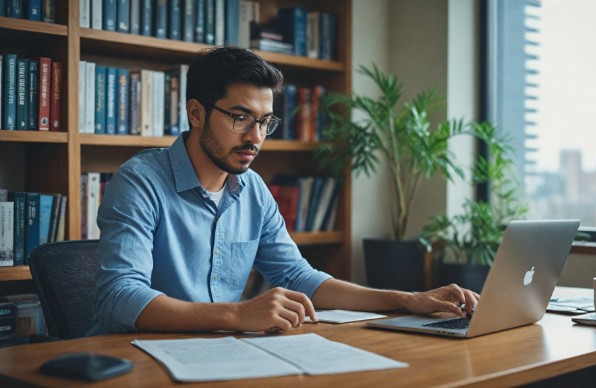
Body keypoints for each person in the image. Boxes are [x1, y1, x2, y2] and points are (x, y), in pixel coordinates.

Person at [87, 46, 479, 336]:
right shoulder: (139, 181)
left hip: (218, 356)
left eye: (264, 122)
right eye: (240, 118)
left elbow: (297, 276)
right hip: (136, 361)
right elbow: (121, 296)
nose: (255, 138)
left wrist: (406, 299)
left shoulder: (253, 190)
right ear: (196, 113)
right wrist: (239, 315)